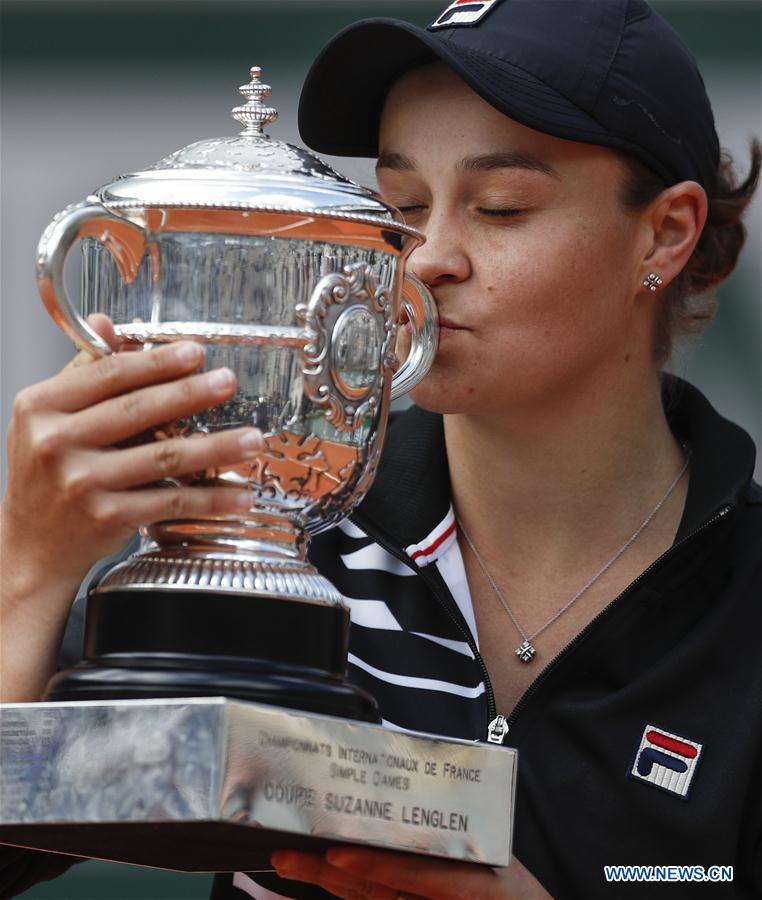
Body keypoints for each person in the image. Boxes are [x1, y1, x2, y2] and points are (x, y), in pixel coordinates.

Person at [1, 0, 760, 897]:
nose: (427, 257)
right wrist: (30, 569)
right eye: (399, 206)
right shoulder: (273, 531)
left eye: (501, 207)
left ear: (665, 232)